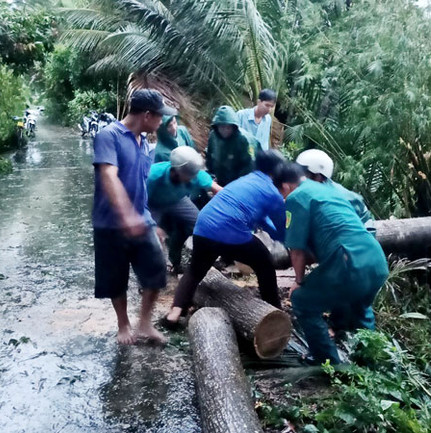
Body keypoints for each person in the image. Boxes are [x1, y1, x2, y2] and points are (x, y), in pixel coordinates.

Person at [163, 150, 288, 327]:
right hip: (229, 230)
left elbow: (261, 218)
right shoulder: (272, 192)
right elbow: (281, 227)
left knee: (195, 270)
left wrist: (273, 232)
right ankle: (274, 312)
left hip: (204, 225)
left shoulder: (247, 179)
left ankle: (175, 312)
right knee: (264, 263)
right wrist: (287, 243)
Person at [92, 88, 176, 345]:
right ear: (147, 115)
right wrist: (127, 215)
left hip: (142, 219)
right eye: (160, 116)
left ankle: (144, 324)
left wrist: (150, 220)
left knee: (156, 271)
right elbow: (109, 175)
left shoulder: (145, 143)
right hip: (110, 224)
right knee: (115, 279)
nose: (162, 122)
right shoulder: (109, 136)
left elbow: (140, 184)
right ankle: (123, 324)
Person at [282, 164, 389, 364]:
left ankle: (328, 363)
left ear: (286, 185)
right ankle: (371, 365)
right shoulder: (332, 190)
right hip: (376, 260)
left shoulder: (296, 198)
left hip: (349, 262)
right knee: (359, 308)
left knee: (302, 300)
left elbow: (296, 250)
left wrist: (299, 281)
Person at [147, 146, 223, 273]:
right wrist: (151, 226)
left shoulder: (195, 174)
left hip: (178, 200)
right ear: (177, 170)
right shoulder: (153, 175)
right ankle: (149, 276)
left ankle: (202, 261)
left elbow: (218, 190)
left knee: (201, 224)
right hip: (152, 204)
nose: (194, 178)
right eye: (189, 175)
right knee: (150, 239)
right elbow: (137, 200)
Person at [295, 149, 374, 224]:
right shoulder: (307, 191)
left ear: (318, 176)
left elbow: (367, 223)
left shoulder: (342, 197)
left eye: (304, 173)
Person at [205, 105, 260, 187]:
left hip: (241, 181)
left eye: (228, 127)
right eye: (222, 127)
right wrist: (211, 177)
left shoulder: (244, 140)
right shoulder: (213, 136)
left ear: (233, 126)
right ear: (217, 126)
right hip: (222, 177)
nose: (225, 130)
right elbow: (209, 158)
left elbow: (250, 166)